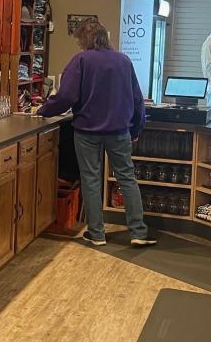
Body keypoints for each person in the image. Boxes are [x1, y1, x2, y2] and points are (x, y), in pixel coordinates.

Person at [38, 18, 155, 247]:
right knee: (127, 178)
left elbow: (66, 97)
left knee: (91, 180)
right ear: (105, 36)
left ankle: (97, 233)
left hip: (87, 130)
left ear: (84, 39)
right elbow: (137, 99)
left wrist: (44, 109)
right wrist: (136, 128)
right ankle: (138, 232)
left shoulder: (81, 60)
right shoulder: (123, 60)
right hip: (119, 130)